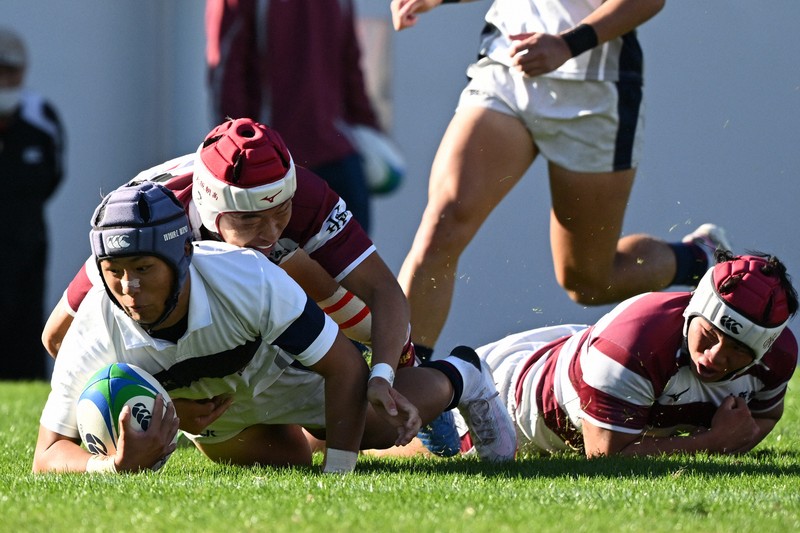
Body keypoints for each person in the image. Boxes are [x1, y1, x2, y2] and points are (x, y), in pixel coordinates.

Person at [32, 181, 516, 474]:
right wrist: (111, 464)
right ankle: (320, 431)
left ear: (182, 255)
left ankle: (461, 374)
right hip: (218, 410)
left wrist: (340, 475)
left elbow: (345, 367)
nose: (129, 286)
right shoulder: (97, 319)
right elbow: (47, 455)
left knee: (377, 427)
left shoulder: (247, 275)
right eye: (114, 270)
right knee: (286, 464)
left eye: (143, 268)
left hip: (284, 372)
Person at [389, 0, 731, 361]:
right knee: (441, 226)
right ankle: (404, 384)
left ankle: (697, 259)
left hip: (596, 91)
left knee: (587, 282)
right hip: (506, 73)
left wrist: (567, 44)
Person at [436, 251, 797, 458]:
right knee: (399, 441)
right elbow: (608, 460)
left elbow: (764, 416)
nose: (715, 358)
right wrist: (714, 444)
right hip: (513, 398)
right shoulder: (634, 346)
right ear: (693, 311)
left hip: (579, 354)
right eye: (709, 336)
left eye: (737, 351)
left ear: (763, 349)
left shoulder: (777, 357)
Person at [206, 0, 380, 232]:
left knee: (353, 265)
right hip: (274, 164)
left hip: (298, 163)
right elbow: (226, 71)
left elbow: (225, 71)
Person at [0, 27, 64, 379]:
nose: (5, 79)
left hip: (26, 240)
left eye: (11, 70)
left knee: (25, 323)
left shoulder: (41, 116)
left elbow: (53, 174)